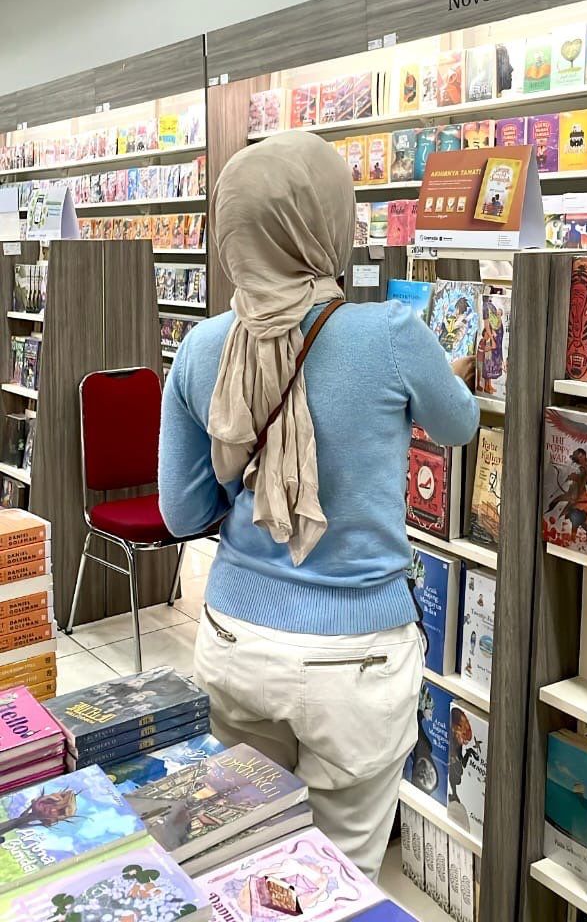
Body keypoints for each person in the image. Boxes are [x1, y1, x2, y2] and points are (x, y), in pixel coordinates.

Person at [158, 131, 479, 879]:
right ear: (328, 222)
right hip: (358, 658)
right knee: (339, 878)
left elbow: (180, 513)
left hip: (236, 639)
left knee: (245, 858)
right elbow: (458, 423)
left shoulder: (202, 348)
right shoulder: (392, 334)